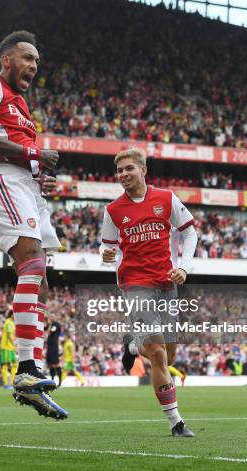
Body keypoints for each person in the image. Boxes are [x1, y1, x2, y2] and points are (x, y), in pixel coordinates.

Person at [0, 30, 67, 420]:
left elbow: (22, 152)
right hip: (3, 181)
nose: (34, 66)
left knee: (41, 282)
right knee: (33, 266)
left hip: (27, 187)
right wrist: (33, 153)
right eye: (28, 58)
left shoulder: (23, 105)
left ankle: (32, 371)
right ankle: (26, 371)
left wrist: (38, 171)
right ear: (6, 59)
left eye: (38, 62)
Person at [100, 148, 198, 437]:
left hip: (166, 282)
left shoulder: (166, 198)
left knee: (168, 354)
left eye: (128, 169)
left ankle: (133, 346)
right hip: (135, 284)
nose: (123, 175)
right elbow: (107, 245)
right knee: (157, 355)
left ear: (143, 170)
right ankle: (176, 423)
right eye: (119, 171)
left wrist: (185, 267)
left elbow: (190, 232)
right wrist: (106, 254)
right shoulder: (113, 210)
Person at [0, 310, 18, 390]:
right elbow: (10, 336)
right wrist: (15, 345)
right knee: (5, 365)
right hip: (6, 347)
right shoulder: (9, 323)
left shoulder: (12, 323)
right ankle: (6, 384)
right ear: (11, 315)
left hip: (10, 347)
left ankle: (12, 382)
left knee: (15, 364)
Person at [45, 319, 62, 386]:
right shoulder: (50, 325)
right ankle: (52, 381)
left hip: (54, 347)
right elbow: (44, 328)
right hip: (49, 347)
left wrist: (49, 326)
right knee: (50, 365)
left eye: (52, 316)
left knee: (56, 364)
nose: (50, 318)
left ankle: (60, 382)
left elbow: (52, 330)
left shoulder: (56, 324)